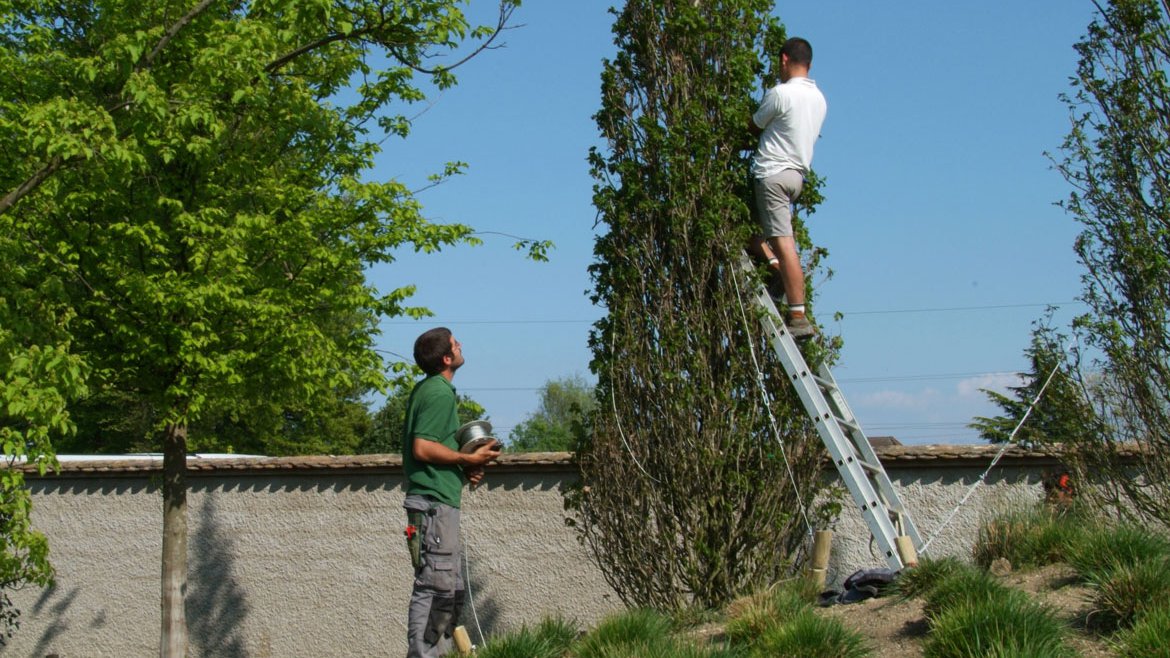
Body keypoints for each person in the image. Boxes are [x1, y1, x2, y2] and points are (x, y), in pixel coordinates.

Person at [401, 327, 501, 658]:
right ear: (447, 358)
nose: (460, 347)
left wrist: (464, 466)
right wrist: (466, 457)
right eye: (456, 344)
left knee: (450, 589)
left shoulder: (434, 390)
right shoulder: (438, 393)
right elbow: (422, 448)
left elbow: (436, 446)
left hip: (437, 504)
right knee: (435, 590)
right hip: (433, 507)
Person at [748, 36, 827, 339]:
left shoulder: (780, 94)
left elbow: (754, 125)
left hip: (773, 174)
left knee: (784, 244)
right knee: (754, 236)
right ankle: (775, 270)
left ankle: (797, 314)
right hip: (797, 175)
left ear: (783, 60)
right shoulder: (819, 99)